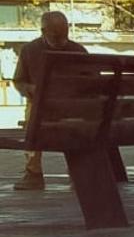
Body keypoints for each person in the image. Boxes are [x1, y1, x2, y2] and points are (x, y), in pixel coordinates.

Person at [12, 11, 87, 191]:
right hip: (43, 106)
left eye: (64, 33)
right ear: (43, 31)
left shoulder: (77, 50)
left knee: (35, 121)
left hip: (69, 108)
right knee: (34, 116)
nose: (62, 39)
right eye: (56, 34)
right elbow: (19, 81)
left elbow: (91, 82)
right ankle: (34, 173)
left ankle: (35, 174)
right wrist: (31, 90)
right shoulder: (30, 50)